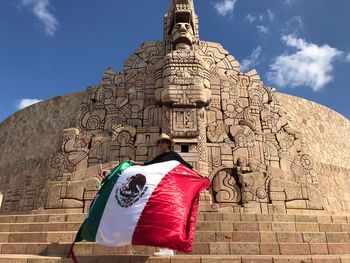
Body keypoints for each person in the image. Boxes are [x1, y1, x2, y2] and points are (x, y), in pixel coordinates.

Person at [130, 133, 193, 257]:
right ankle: (165, 247)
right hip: (162, 188)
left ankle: (168, 248)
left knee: (168, 218)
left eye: (162, 142)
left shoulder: (173, 156)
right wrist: (134, 163)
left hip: (172, 188)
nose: (160, 145)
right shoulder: (160, 158)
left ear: (168, 144)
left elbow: (187, 166)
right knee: (161, 218)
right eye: (159, 143)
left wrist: (200, 176)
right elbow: (148, 164)